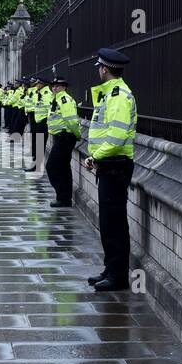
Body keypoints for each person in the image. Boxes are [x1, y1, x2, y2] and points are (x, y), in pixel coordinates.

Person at [83, 49, 137, 293]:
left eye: (99, 67)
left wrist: (95, 156)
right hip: (109, 165)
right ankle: (110, 269)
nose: (98, 70)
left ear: (105, 69)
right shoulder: (110, 95)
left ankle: (118, 276)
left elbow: (116, 137)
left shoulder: (119, 97)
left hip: (115, 165)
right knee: (108, 221)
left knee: (114, 222)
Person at [45, 76, 81, 208]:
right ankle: (64, 198)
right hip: (59, 137)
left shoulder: (64, 100)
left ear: (64, 87)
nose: (54, 88)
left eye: (58, 86)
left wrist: (76, 135)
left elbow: (71, 120)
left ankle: (63, 196)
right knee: (64, 168)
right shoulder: (56, 99)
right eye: (53, 85)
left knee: (51, 167)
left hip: (64, 137)